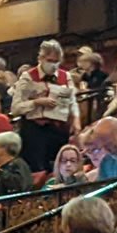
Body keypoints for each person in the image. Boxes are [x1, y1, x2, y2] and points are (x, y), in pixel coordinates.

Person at [10, 39, 79, 173]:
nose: (53, 65)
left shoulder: (66, 76)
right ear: (40, 58)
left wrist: (76, 119)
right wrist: (37, 102)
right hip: (34, 130)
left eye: (56, 61)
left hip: (58, 129)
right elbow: (15, 108)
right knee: (37, 168)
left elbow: (72, 101)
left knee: (60, 166)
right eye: (49, 60)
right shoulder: (28, 77)